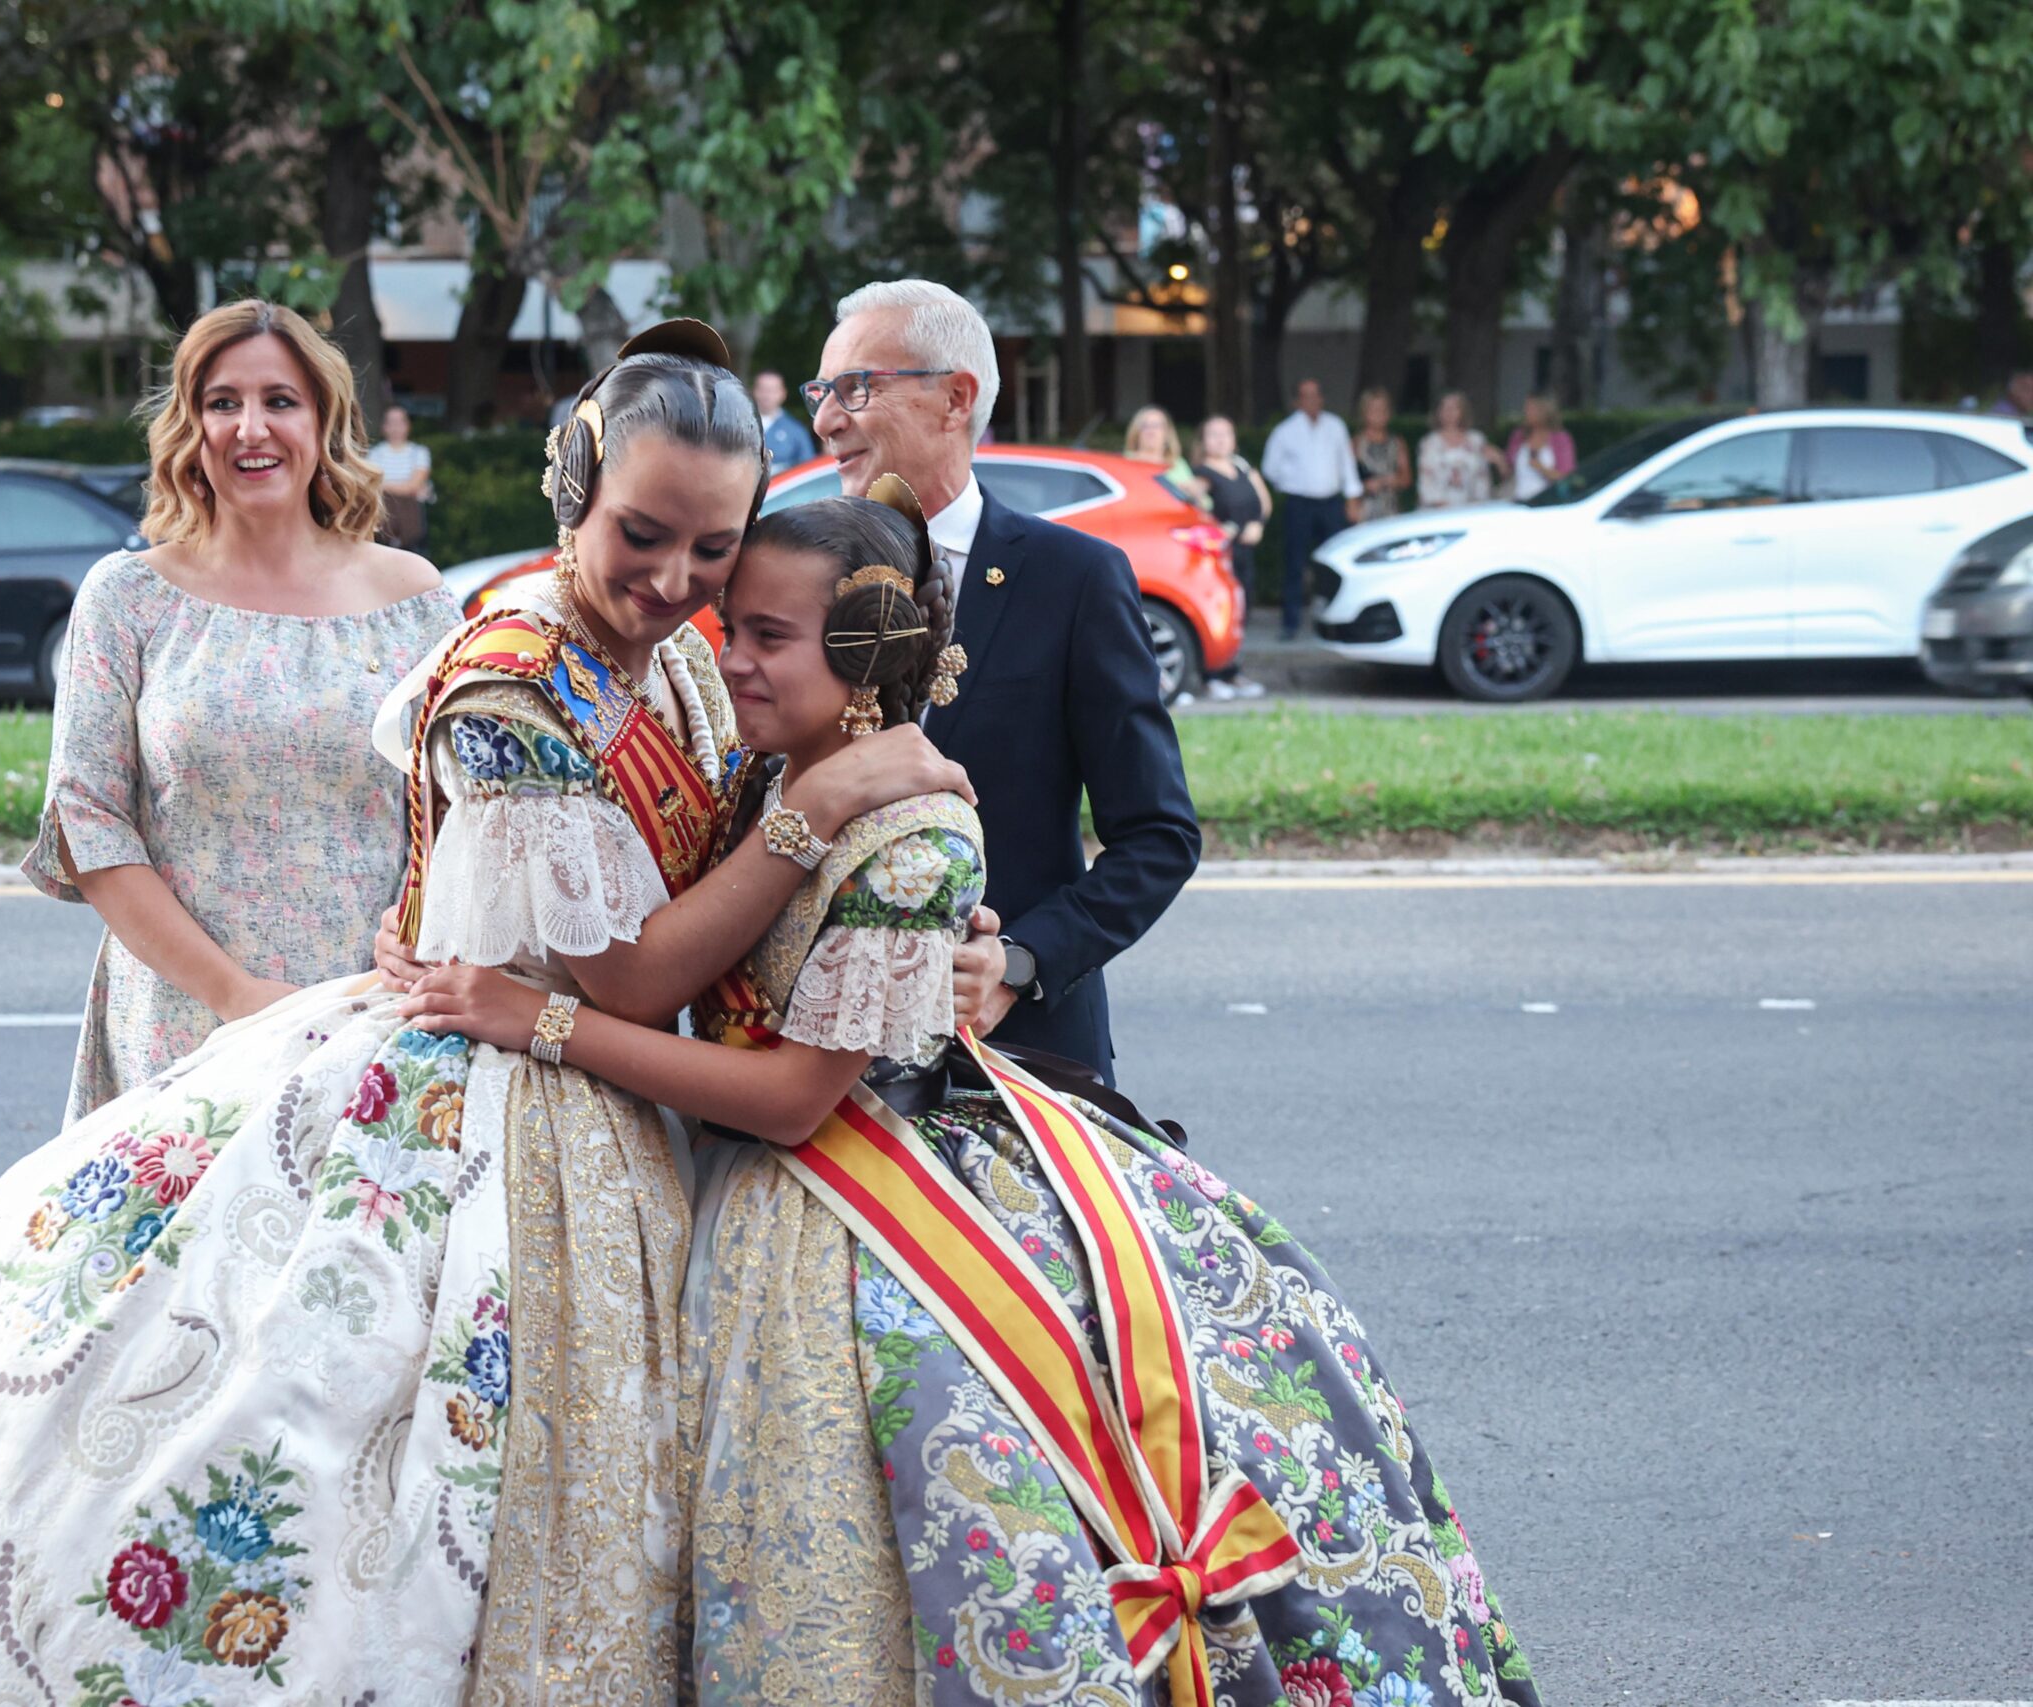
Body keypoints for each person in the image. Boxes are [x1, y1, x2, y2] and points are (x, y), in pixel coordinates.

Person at [0, 318, 968, 1706]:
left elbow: (723, 885)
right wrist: (814, 815)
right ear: (573, 482)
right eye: (644, 534)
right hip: (501, 1114)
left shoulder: (676, 653)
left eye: (710, 550)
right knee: (343, 1479)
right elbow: (626, 973)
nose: (676, 580)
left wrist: (908, 913)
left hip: (602, 1108)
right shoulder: (513, 670)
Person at [399, 480, 1544, 1707]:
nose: (725, 657)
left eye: (764, 638)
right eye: (732, 628)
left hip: (845, 1195)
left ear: (872, 659)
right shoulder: (770, 774)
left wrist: (546, 1022)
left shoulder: (914, 838)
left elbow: (794, 1099)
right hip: (755, 1176)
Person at [19, 301, 460, 1123]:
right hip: (184, 1026)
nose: (251, 428)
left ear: (324, 420)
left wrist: (415, 923)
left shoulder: (420, 603)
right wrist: (239, 995)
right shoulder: (128, 599)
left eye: (280, 401)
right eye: (223, 403)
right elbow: (89, 823)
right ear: (190, 425)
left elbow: (454, 816)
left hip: (366, 1024)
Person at [804, 278, 1199, 1082]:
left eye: (856, 388)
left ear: (956, 398)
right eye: (823, 391)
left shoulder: (1073, 579)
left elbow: (1158, 838)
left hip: (1022, 1061)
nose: (825, 420)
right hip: (821, 1063)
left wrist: (1021, 962)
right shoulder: (803, 575)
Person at [1259, 378, 1360, 639]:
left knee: (1336, 562)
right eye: (1306, 395)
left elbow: (1346, 464)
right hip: (1300, 503)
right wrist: (1290, 482)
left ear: (1322, 398)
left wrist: (1352, 498)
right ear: (1297, 401)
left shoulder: (1335, 426)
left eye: (1315, 395)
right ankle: (1290, 623)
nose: (1311, 400)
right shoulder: (1285, 431)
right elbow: (1270, 467)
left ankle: (1338, 621)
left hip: (1330, 503)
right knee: (1294, 563)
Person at [1191, 413, 1270, 701]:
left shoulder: (1243, 466)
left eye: (1226, 433)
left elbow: (1263, 501)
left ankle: (1233, 670)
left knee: (1242, 612)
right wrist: (1219, 529)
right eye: (1213, 434)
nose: (1221, 439)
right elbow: (1192, 505)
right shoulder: (1201, 473)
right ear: (1204, 440)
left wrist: (1257, 524)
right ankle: (1211, 675)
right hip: (1220, 556)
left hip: (1246, 553)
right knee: (1219, 613)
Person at [1415, 390, 1507, 509]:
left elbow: (1482, 477)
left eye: (1454, 408)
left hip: (1470, 511)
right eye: (1444, 407)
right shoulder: (1428, 443)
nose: (1449, 412)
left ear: (1463, 411)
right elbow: (1426, 481)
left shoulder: (1476, 440)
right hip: (1436, 512)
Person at [366, 402, 434, 549]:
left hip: (410, 509)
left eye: (400, 422)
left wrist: (385, 486)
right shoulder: (375, 454)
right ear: (384, 427)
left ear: (407, 425)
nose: (396, 427)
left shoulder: (419, 452)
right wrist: (404, 487)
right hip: (383, 508)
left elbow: (414, 485)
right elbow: (371, 483)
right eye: (391, 422)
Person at [1123, 403, 1211, 506]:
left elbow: (1206, 504)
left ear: (1167, 433)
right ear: (1136, 432)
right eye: (1145, 426)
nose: (1151, 431)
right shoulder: (1124, 461)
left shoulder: (1177, 463)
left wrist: (1193, 491)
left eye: (1157, 426)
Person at [1352, 385, 1411, 521]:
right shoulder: (1356, 443)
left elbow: (1406, 479)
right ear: (1364, 412)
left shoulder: (1397, 443)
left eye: (1383, 409)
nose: (1379, 414)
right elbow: (1348, 481)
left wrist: (1388, 481)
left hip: (1390, 508)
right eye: (1374, 409)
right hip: (1364, 509)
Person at [1505, 392, 1576, 500]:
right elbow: (1508, 471)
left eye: (1531, 408)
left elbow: (1567, 476)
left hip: (1548, 502)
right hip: (1519, 500)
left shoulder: (1560, 439)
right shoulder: (1519, 436)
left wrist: (1541, 468)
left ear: (1544, 411)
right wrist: (1498, 459)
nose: (1526, 412)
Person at [754, 368, 820, 468]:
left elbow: (808, 468)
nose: (766, 395)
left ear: (783, 393)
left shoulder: (796, 431)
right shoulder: (737, 425)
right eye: (763, 389)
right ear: (754, 391)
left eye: (772, 390)